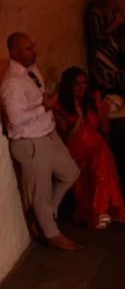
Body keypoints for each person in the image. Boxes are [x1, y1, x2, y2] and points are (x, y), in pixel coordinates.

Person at [0, 33, 80, 250]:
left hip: (47, 133)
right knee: (40, 192)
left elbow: (38, 97)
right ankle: (52, 234)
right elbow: (15, 120)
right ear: (14, 53)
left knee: (70, 172)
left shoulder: (31, 70)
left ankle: (45, 215)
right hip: (31, 141)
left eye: (33, 47)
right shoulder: (12, 83)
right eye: (28, 49)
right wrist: (44, 107)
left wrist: (47, 101)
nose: (34, 52)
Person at [54, 67, 125, 230]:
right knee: (101, 157)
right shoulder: (60, 107)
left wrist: (103, 117)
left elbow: (105, 133)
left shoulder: (91, 102)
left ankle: (102, 211)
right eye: (77, 84)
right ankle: (102, 210)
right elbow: (67, 140)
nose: (81, 87)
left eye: (84, 83)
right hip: (77, 150)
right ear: (69, 86)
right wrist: (79, 119)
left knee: (103, 155)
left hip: (96, 145)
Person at [86, 0, 124, 92]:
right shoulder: (94, 14)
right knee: (107, 89)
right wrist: (116, 24)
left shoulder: (107, 10)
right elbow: (97, 36)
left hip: (111, 56)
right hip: (101, 58)